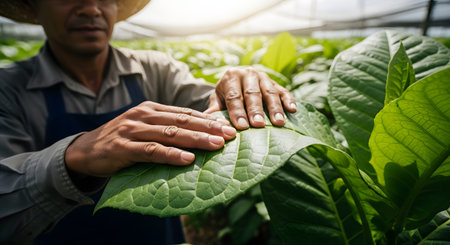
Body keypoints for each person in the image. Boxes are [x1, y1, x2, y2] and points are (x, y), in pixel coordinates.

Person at [0, 0, 297, 244]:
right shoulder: (8, 89)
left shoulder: (157, 70)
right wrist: (73, 157)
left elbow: (211, 112)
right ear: (34, 9)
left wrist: (238, 87)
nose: (91, 8)